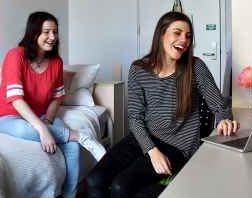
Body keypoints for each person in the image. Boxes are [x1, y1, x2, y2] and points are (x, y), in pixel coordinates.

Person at [86, 11, 239, 198]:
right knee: (95, 179)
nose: (184, 39)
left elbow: (220, 105)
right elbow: (135, 118)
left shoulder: (195, 67)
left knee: (121, 186)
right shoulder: (138, 69)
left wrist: (224, 120)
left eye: (188, 36)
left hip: (177, 146)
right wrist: (152, 150)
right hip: (143, 138)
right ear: (161, 34)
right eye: (177, 32)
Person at [0, 11, 106, 198]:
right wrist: (42, 131)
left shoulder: (56, 62)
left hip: (42, 114)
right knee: (24, 130)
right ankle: (80, 136)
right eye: (46, 32)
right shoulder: (16, 56)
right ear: (34, 33)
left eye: (55, 32)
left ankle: (70, 194)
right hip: (8, 114)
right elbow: (16, 100)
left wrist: (48, 120)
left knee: (72, 147)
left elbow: (57, 98)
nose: (52, 37)